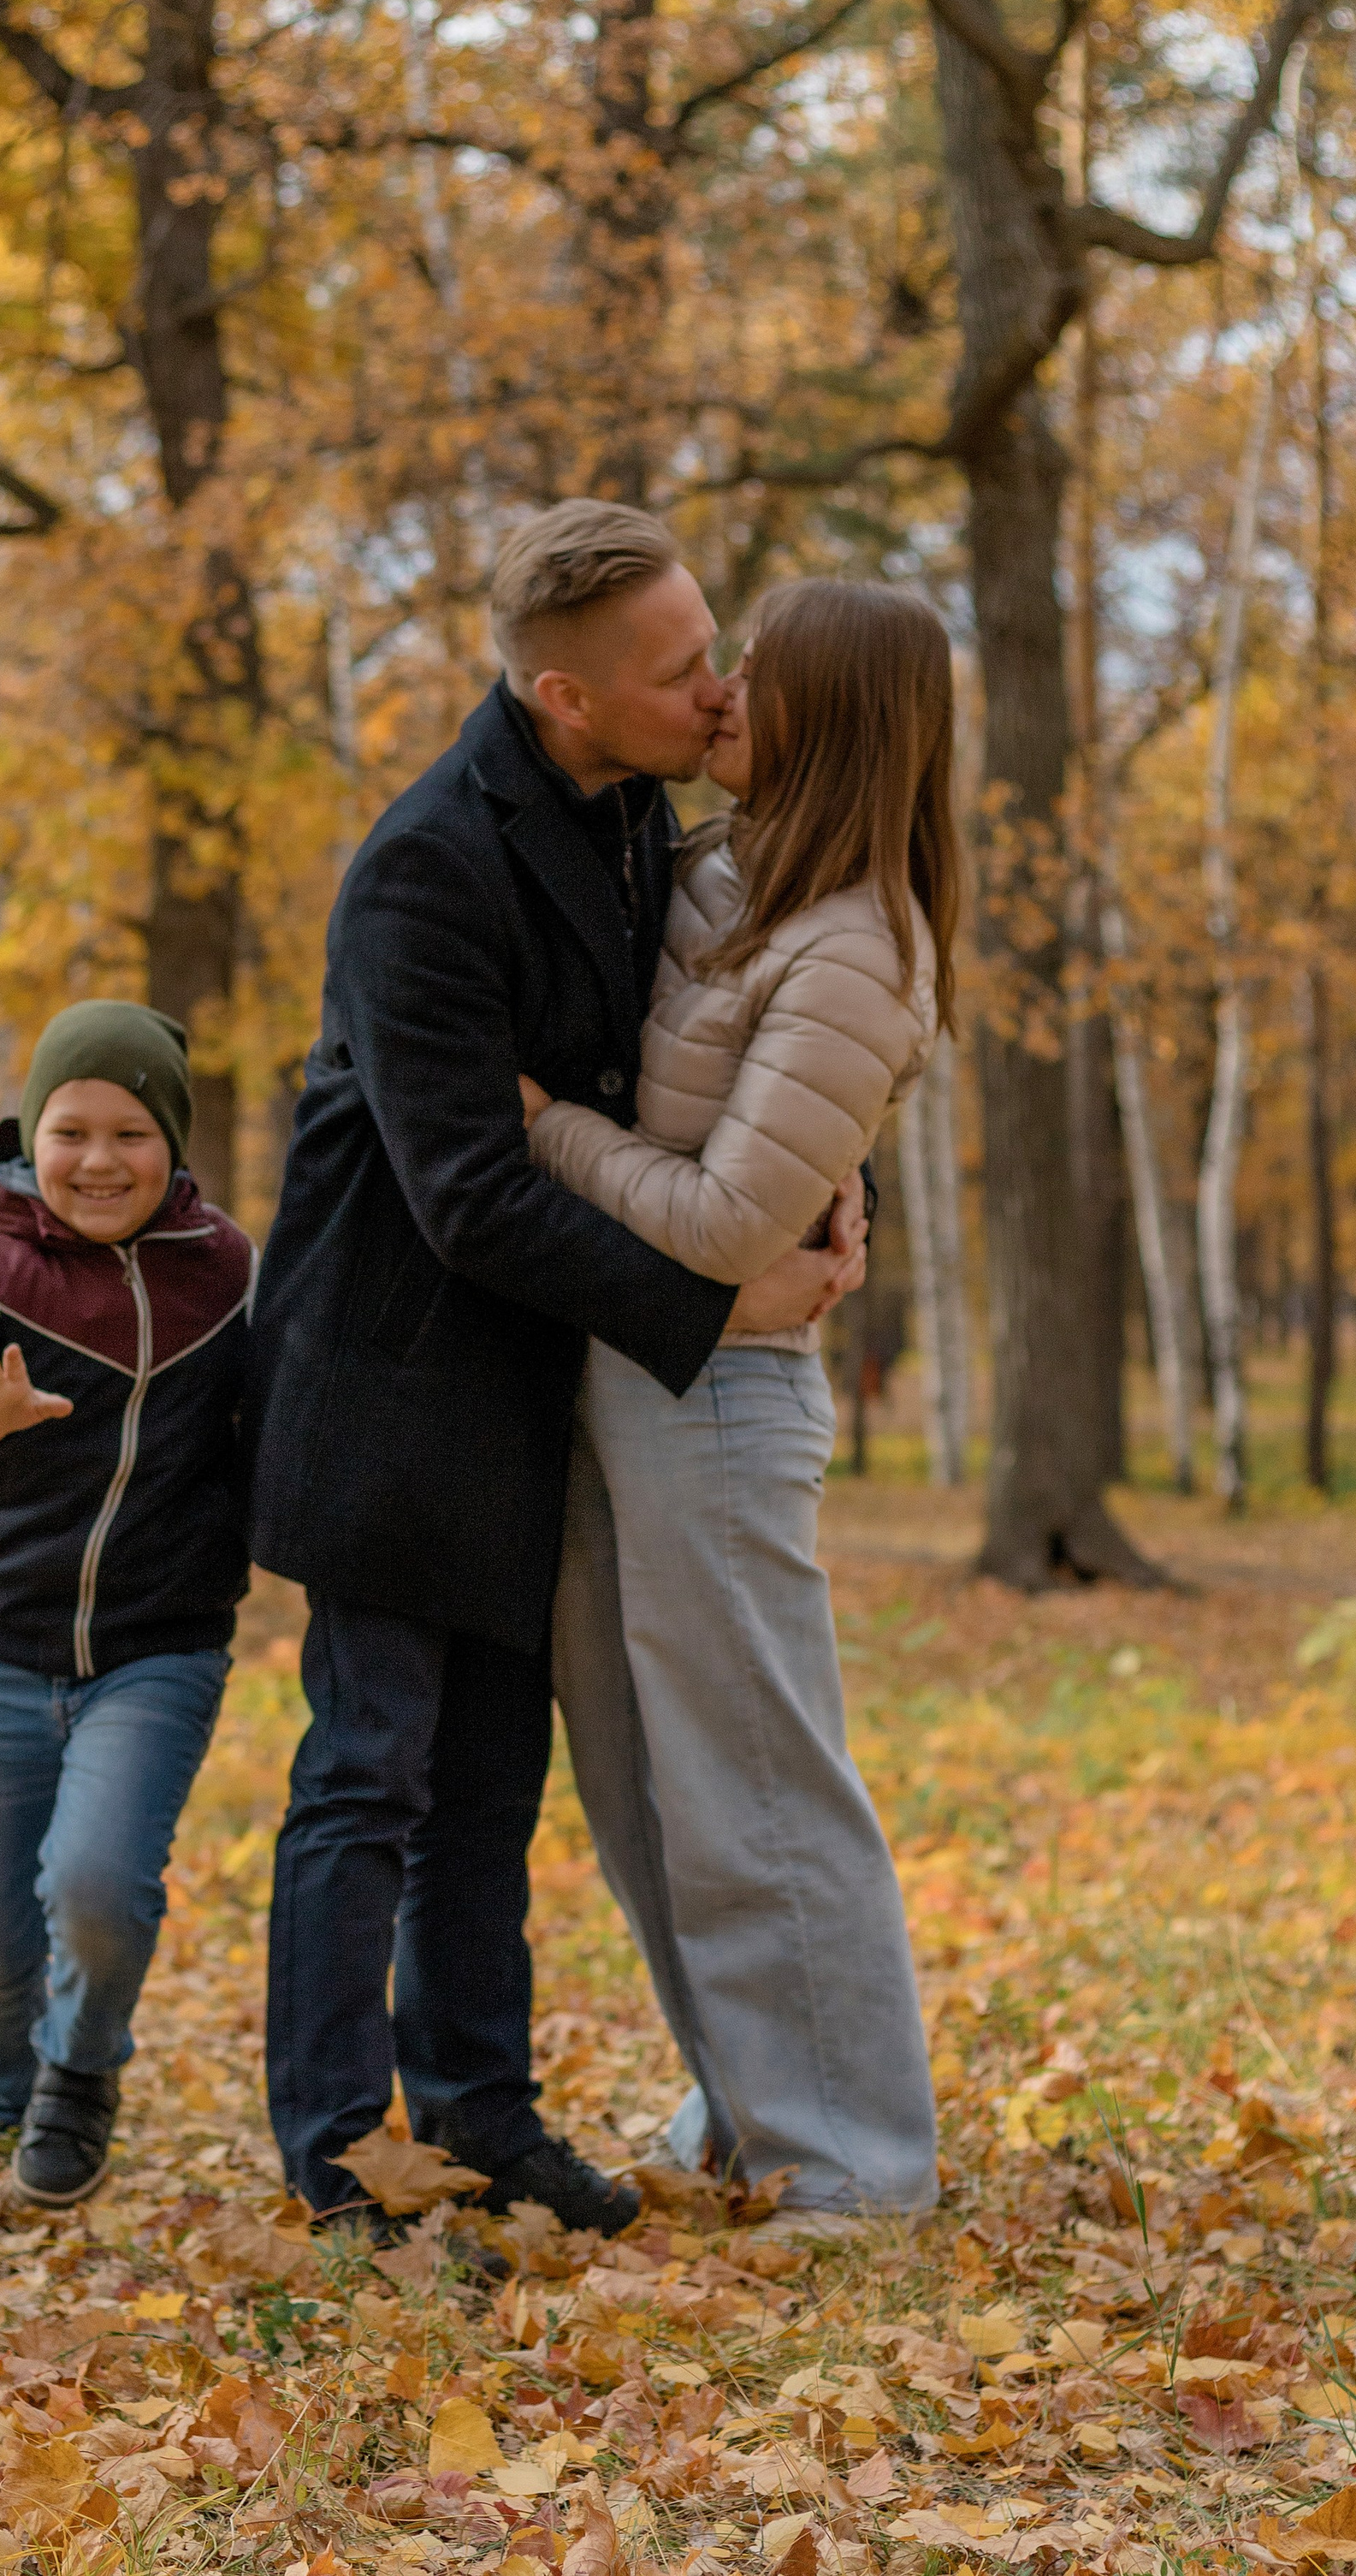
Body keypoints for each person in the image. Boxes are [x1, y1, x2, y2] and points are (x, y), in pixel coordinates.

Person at [246, 501, 867, 2229]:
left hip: (529, 1390)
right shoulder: (422, 871)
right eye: (679, 671)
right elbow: (461, 1194)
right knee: (366, 1770)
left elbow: (695, 1057)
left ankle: (480, 2113)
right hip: (385, 1382)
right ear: (561, 696)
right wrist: (709, 1311)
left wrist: (816, 1182)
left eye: (711, 642)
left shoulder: (643, 821)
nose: (718, 688)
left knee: (487, 1787)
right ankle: (332, 2144)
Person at [532, 578, 956, 2223]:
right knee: (645, 1770)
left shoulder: (861, 941)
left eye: (756, 681)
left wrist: (537, 1125)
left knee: (759, 1772)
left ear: (831, 717)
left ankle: (860, 2159)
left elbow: (725, 1221)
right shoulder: (722, 867)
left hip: (723, 1392)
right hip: (629, 1367)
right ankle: (750, 2100)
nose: (720, 699)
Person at [0, 1002, 253, 2209]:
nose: (98, 1161)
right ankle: (3, 2105)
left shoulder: (227, 1270)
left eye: (131, 1132)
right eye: (71, 1130)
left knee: (96, 1883)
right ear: (35, 1134)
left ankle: (79, 2079)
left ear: (174, 1143)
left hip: (159, 1649)